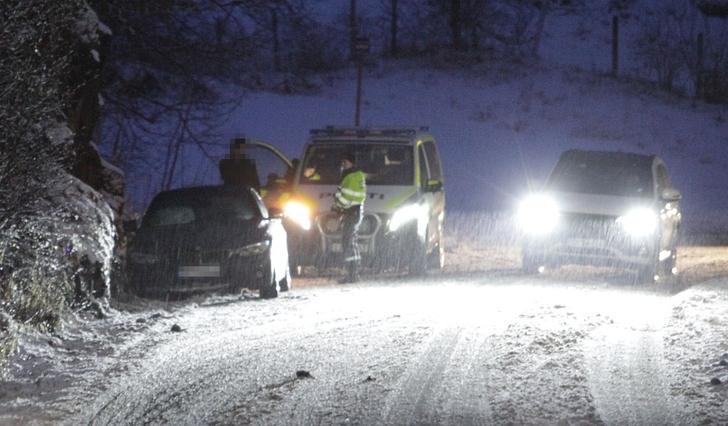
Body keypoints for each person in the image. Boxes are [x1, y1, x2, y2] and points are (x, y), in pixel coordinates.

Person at [332, 151, 366, 283]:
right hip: (356, 212)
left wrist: (337, 206)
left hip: (350, 212)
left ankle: (351, 274)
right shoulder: (358, 175)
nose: (343, 164)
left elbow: (346, 197)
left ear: (350, 162)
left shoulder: (349, 176)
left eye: (344, 162)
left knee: (347, 242)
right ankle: (354, 272)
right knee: (352, 242)